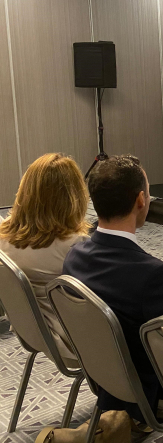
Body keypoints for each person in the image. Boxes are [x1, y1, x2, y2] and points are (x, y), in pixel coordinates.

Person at [63, 155, 163, 421]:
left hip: (100, 374)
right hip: (144, 391)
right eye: (148, 193)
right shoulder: (155, 276)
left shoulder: (73, 256)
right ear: (140, 200)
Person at [0, 153, 90, 364]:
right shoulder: (76, 247)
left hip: (31, 332)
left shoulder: (3, 237)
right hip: (73, 345)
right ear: (73, 197)